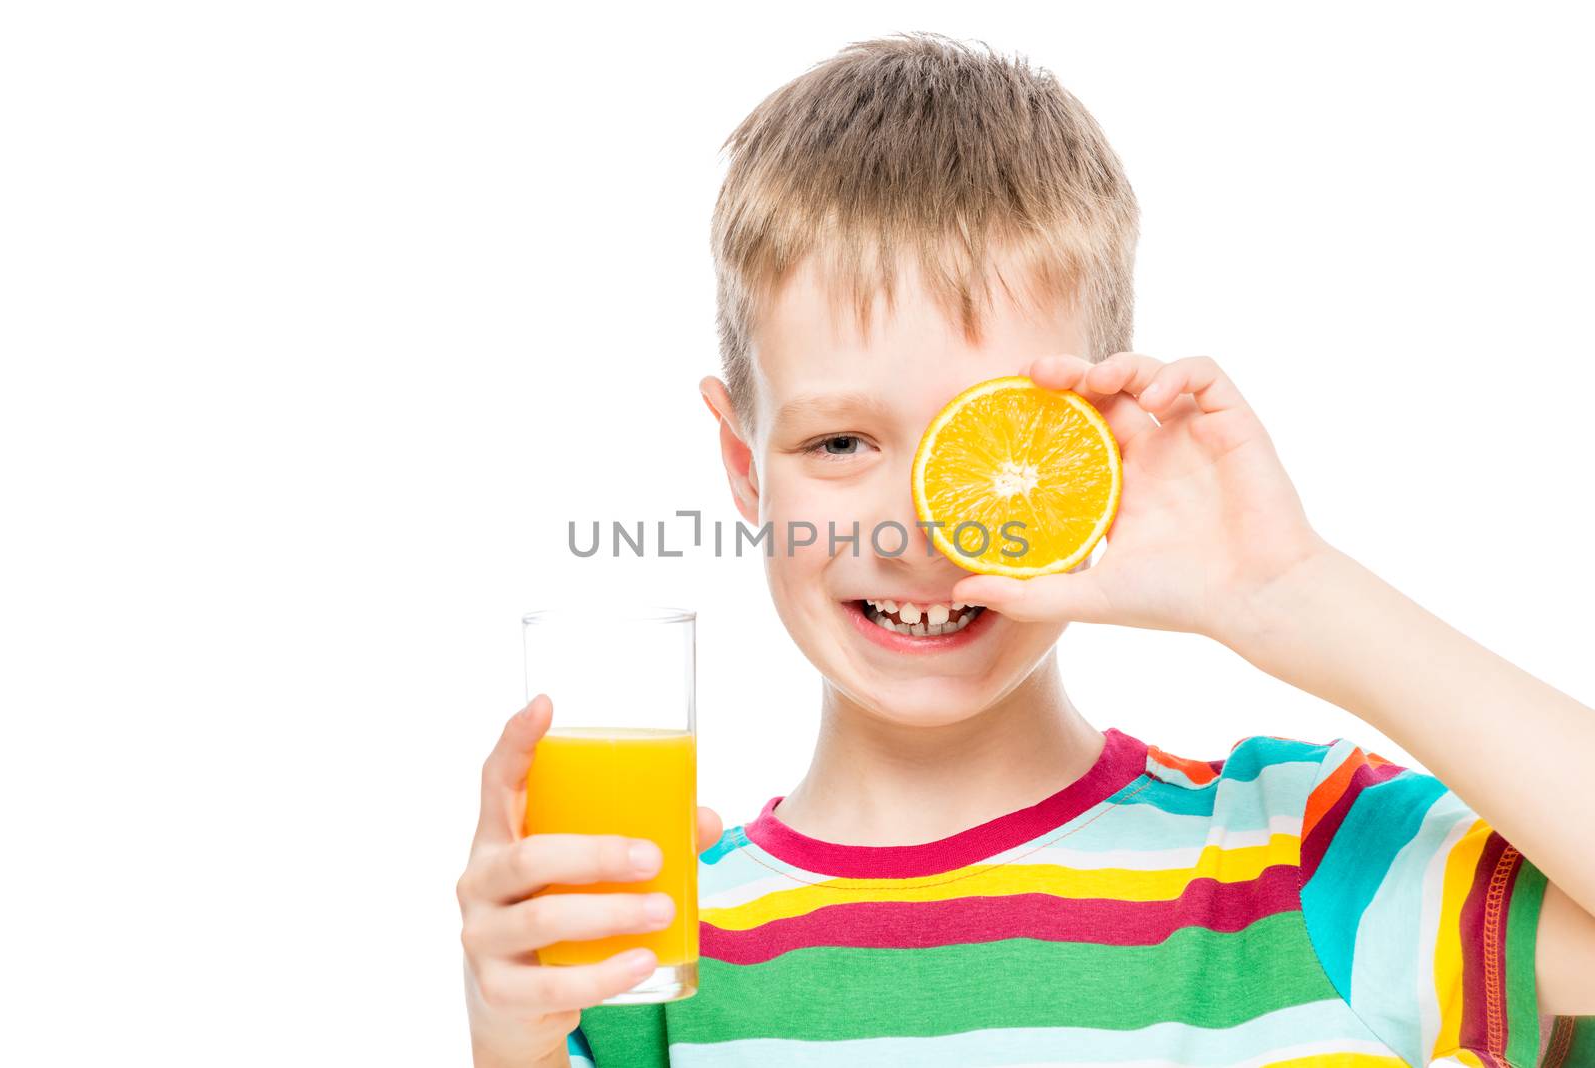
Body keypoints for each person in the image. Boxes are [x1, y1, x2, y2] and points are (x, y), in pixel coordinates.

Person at [457, 31, 1595, 1067]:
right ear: (746, 469)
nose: (913, 530)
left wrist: (1286, 590)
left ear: (1092, 455)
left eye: (988, 446)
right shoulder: (643, 956)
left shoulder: (1305, 861)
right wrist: (508, 1042)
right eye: (840, 440)